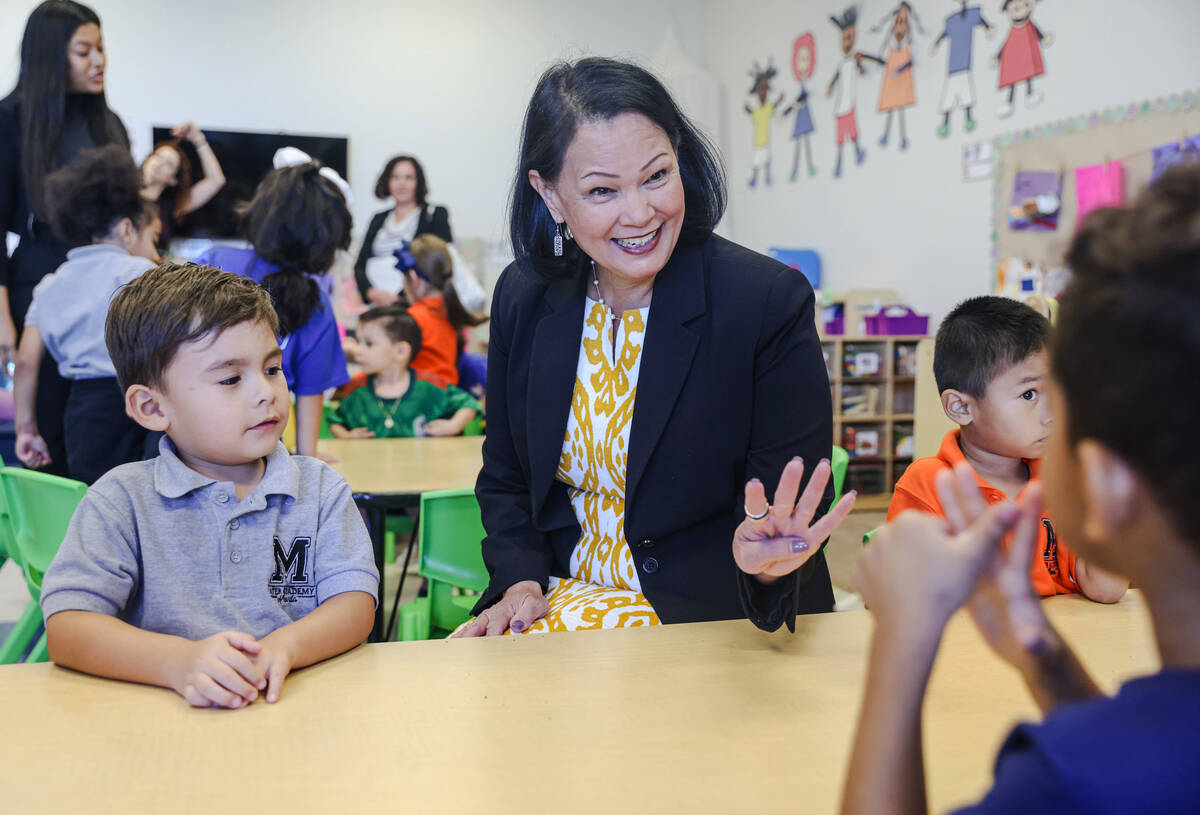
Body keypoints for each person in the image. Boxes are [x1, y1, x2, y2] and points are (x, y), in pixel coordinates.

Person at [842, 163, 1200, 814]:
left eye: (1060, 399)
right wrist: (1048, 661)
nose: (1049, 421)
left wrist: (902, 640)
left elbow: (1110, 775)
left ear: (1107, 485)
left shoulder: (1063, 776)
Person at [456, 57, 855, 638]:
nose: (641, 213)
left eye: (656, 176)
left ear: (680, 158)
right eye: (601, 191)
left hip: (712, 617)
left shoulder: (764, 301)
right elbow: (507, 475)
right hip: (559, 601)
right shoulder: (524, 295)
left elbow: (780, 514)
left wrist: (765, 563)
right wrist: (519, 581)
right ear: (550, 195)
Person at [40, 262, 378, 709]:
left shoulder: (319, 489)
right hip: (160, 724)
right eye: (231, 379)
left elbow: (354, 605)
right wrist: (178, 662)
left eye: (273, 369)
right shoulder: (121, 500)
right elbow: (68, 625)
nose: (266, 393)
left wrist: (286, 648)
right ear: (151, 407)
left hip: (295, 713)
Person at [888, 296, 1128, 603]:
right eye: (1029, 394)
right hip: (966, 647)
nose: (1052, 412)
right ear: (961, 407)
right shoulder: (928, 483)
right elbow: (897, 599)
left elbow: (1108, 591)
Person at [0, 0, 130, 477]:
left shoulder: (108, 123)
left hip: (107, 280)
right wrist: (2, 321)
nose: (99, 61)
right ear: (51, 55)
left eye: (101, 48)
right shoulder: (9, 120)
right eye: (83, 50)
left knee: (108, 423)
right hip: (38, 275)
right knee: (48, 426)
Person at [14, 145, 159, 483]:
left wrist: (26, 429)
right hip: (139, 401)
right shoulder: (138, 272)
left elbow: (25, 363)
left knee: (95, 504)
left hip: (82, 409)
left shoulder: (50, 284)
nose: (153, 250)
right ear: (127, 229)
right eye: (152, 238)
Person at [195, 162, 351, 459]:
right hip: (262, 449)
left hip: (193, 441)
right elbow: (310, 390)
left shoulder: (213, 262)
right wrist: (308, 456)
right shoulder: (318, 304)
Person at [328, 305, 480, 439]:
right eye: (358, 342)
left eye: (368, 343)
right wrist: (347, 435)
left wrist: (452, 426)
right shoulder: (357, 390)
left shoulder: (429, 387)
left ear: (400, 351)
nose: (358, 351)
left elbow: (470, 404)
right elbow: (335, 420)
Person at [354, 155, 452, 307]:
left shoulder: (434, 215)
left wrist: (400, 298)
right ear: (387, 181)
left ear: (418, 182)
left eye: (409, 177)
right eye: (395, 177)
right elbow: (360, 264)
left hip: (414, 304)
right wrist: (371, 292)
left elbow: (439, 264)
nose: (401, 183)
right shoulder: (378, 218)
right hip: (375, 305)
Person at [397, 234, 487, 387]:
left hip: (422, 401)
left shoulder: (414, 318)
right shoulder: (450, 311)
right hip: (447, 398)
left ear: (414, 278)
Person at [139, 121, 227, 250]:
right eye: (157, 156)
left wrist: (198, 139)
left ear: (173, 179)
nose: (159, 163)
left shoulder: (171, 206)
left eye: (168, 163)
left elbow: (216, 180)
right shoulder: (122, 194)